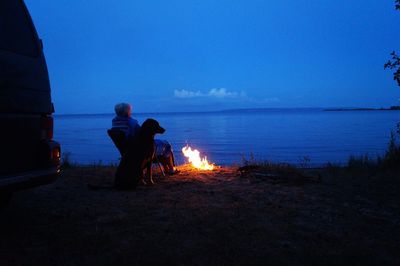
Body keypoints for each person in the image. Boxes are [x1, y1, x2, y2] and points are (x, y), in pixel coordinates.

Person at [111, 102, 179, 175]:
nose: (130, 112)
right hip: (140, 149)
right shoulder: (131, 122)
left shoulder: (115, 123)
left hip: (127, 150)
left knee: (162, 144)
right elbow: (142, 135)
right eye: (130, 110)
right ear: (127, 112)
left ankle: (166, 168)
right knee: (166, 144)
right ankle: (171, 169)